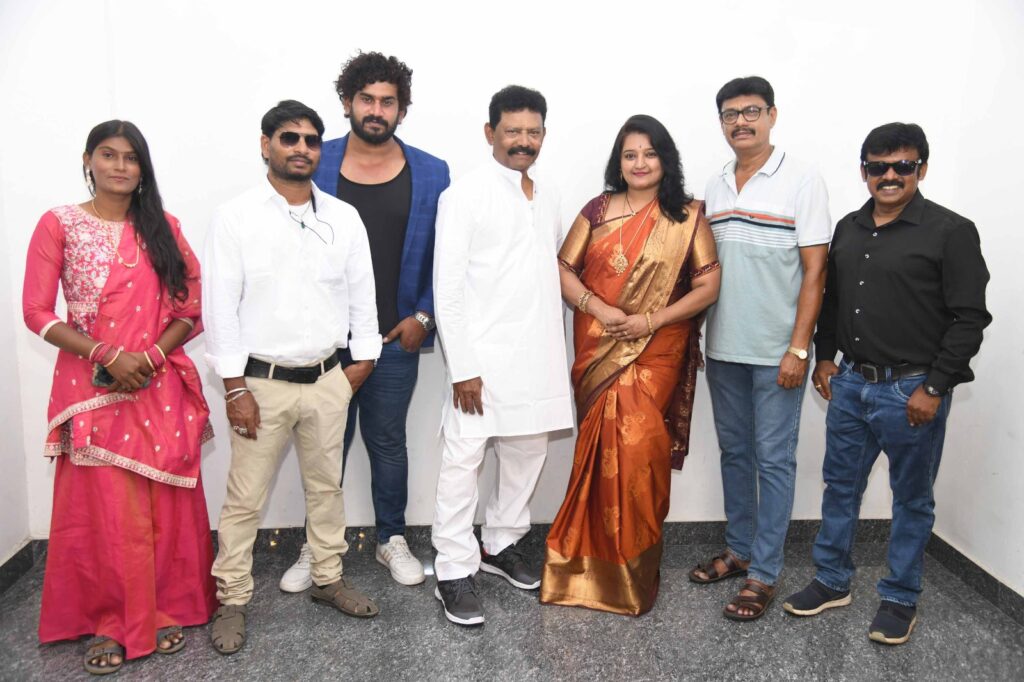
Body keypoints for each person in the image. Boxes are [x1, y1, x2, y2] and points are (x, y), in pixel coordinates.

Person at [783, 123, 991, 645]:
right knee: (840, 488)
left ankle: (900, 598)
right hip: (851, 385)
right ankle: (832, 580)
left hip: (912, 391)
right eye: (879, 167)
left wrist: (935, 387)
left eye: (903, 165)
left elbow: (970, 318)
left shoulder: (951, 231)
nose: (890, 175)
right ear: (864, 172)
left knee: (911, 499)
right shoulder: (850, 227)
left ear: (922, 168)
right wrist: (824, 357)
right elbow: (832, 300)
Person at [23, 120, 216, 674]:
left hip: (155, 383)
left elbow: (191, 306)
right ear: (89, 160)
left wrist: (150, 358)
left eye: (131, 158)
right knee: (104, 512)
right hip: (92, 387)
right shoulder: (60, 223)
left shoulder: (163, 228)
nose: (120, 166)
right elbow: (36, 312)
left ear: (143, 168)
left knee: (161, 507)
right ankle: (109, 620)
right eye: (108, 155)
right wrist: (107, 354)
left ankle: (162, 608)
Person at [204, 100, 382, 654]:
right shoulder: (236, 217)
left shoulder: (343, 217)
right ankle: (233, 598)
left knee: (327, 489)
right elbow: (219, 308)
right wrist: (235, 386)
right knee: (245, 498)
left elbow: (363, 296)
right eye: (289, 138)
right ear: (266, 145)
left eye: (311, 140)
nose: (301, 148)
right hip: (260, 385)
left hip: (329, 378)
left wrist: (361, 364)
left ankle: (328, 579)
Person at [280, 52, 450, 591]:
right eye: (367, 99)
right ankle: (317, 545)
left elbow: (447, 257)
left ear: (402, 108)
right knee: (324, 446)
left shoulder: (432, 171)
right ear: (347, 102)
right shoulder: (316, 159)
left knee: (388, 443)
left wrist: (424, 315)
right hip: (326, 342)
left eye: (388, 101)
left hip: (396, 338)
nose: (376, 110)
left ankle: (391, 538)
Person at [540, 115, 721, 616]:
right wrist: (600, 309)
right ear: (618, 162)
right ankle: (579, 566)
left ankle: (633, 569)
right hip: (599, 345)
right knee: (597, 451)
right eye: (630, 154)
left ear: (666, 159)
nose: (640, 163)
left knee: (640, 450)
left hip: (657, 349)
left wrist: (650, 320)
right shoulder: (597, 210)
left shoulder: (686, 217)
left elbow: (708, 286)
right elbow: (562, 268)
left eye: (650, 153)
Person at [431, 85, 574, 626]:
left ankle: (499, 542)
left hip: (538, 352)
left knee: (527, 451)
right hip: (482, 359)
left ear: (544, 135)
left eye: (533, 132)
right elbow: (446, 289)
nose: (523, 141)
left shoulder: (549, 194)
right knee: (462, 460)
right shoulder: (464, 195)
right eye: (513, 131)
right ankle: (452, 568)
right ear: (490, 133)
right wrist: (463, 367)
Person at [691, 76, 831, 621]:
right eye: (730, 114)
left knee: (773, 461)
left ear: (772, 115)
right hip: (724, 347)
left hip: (778, 352)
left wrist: (800, 349)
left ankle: (764, 573)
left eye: (751, 111)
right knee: (736, 454)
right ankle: (739, 550)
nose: (741, 122)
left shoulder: (802, 178)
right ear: (721, 123)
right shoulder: (717, 182)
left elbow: (816, 270)